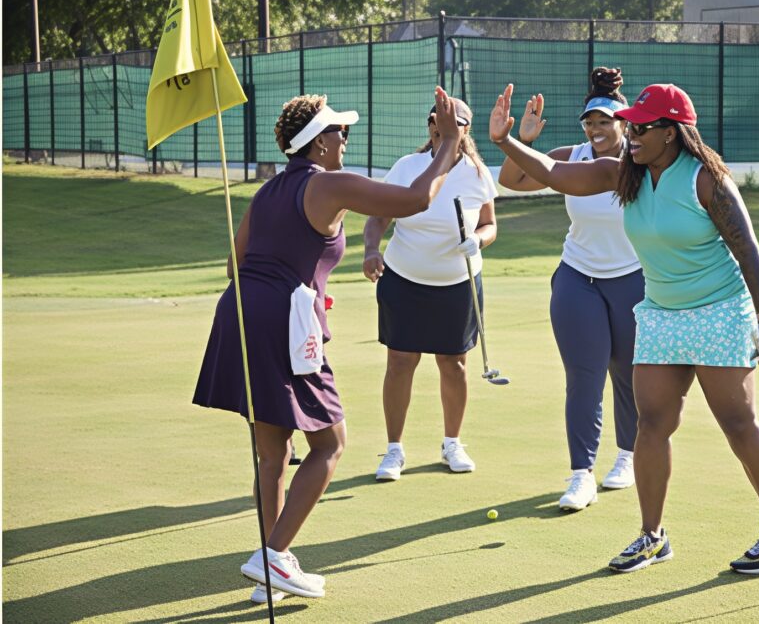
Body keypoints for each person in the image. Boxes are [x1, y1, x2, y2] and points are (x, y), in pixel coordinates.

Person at [488, 82, 759, 576]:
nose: (630, 133)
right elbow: (554, 173)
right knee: (651, 425)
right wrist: (506, 142)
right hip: (659, 312)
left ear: (672, 133)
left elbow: (748, 249)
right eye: (629, 125)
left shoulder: (706, 180)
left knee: (737, 425)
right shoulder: (623, 174)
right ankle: (652, 537)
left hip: (718, 310)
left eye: (642, 126)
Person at [193, 88, 462, 603]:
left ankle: (275, 568)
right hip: (281, 325)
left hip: (240, 314)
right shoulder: (328, 184)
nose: (345, 137)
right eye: (340, 131)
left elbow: (237, 266)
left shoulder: (270, 189)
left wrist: (302, 287)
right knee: (330, 444)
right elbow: (415, 201)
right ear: (318, 143)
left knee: (274, 453)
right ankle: (272, 557)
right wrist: (448, 143)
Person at [498, 68, 643, 511]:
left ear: (624, 123)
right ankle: (582, 474)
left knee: (628, 371)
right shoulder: (572, 155)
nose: (596, 130)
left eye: (604, 122)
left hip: (632, 279)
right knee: (584, 375)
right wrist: (521, 140)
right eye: (590, 122)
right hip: (577, 276)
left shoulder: (641, 164)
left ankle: (628, 456)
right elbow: (512, 180)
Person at [362, 97, 498, 481]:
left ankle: (452, 443)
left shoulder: (476, 173)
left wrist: (479, 239)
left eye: (451, 122)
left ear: (465, 129)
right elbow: (378, 218)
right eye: (435, 121)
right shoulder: (409, 166)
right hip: (404, 278)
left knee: (453, 365)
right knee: (400, 362)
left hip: (457, 283)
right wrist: (372, 250)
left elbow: (490, 224)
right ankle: (393, 450)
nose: (439, 127)